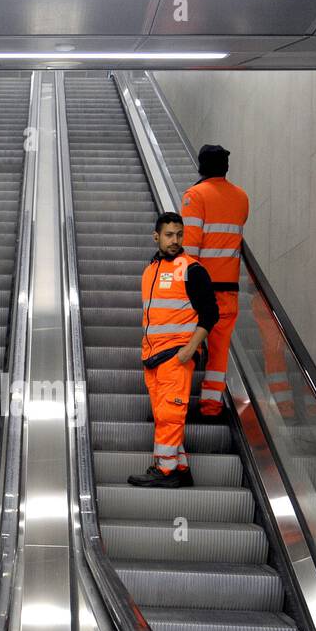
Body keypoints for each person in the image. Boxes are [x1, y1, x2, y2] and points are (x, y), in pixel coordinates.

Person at [128, 212, 219, 489]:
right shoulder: (150, 270)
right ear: (156, 236)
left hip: (176, 355)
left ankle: (165, 472)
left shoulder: (192, 269)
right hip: (153, 357)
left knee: (169, 415)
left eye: (179, 234)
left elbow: (211, 313)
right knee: (163, 415)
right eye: (169, 234)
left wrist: (189, 349)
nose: (175, 240)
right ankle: (179, 467)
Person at [179, 145, 263, 418]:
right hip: (229, 290)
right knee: (219, 348)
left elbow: (190, 247)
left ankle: (178, 401)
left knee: (188, 341)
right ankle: (211, 405)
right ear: (225, 168)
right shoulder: (242, 198)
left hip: (200, 288)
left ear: (201, 167)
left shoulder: (195, 196)